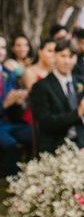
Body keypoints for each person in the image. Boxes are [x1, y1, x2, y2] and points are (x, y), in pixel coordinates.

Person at [30, 39, 84, 154]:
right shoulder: (41, 87)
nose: (67, 61)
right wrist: (78, 112)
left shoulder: (81, 81)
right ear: (55, 56)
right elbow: (47, 123)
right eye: (63, 56)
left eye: (71, 56)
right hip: (60, 142)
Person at [0, 40, 31, 176]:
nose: (0, 51)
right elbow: (5, 103)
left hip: (9, 122)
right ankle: (13, 179)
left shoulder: (8, 73)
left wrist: (19, 101)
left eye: (2, 47)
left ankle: (33, 172)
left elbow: (12, 100)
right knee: (9, 143)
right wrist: (4, 104)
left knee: (34, 133)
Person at [22, 38, 57, 124]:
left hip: (56, 113)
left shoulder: (56, 71)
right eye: (49, 51)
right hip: (36, 118)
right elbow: (37, 96)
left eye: (55, 52)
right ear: (40, 52)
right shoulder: (30, 71)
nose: (53, 54)